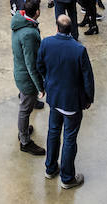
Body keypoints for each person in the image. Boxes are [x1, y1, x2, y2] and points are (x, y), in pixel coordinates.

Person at [36, 14, 95, 189]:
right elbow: (88, 78)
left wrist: (48, 82)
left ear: (56, 28)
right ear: (71, 30)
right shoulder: (79, 49)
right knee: (69, 138)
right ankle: (67, 178)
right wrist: (89, 98)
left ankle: (50, 168)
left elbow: (39, 65)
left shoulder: (46, 43)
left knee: (53, 132)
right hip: (72, 102)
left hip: (54, 98)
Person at [11, 0, 46, 156]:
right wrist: (40, 87)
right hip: (27, 79)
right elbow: (31, 65)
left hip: (20, 72)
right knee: (25, 109)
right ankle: (25, 141)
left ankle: (23, 130)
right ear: (37, 12)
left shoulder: (20, 20)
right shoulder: (29, 34)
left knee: (26, 107)